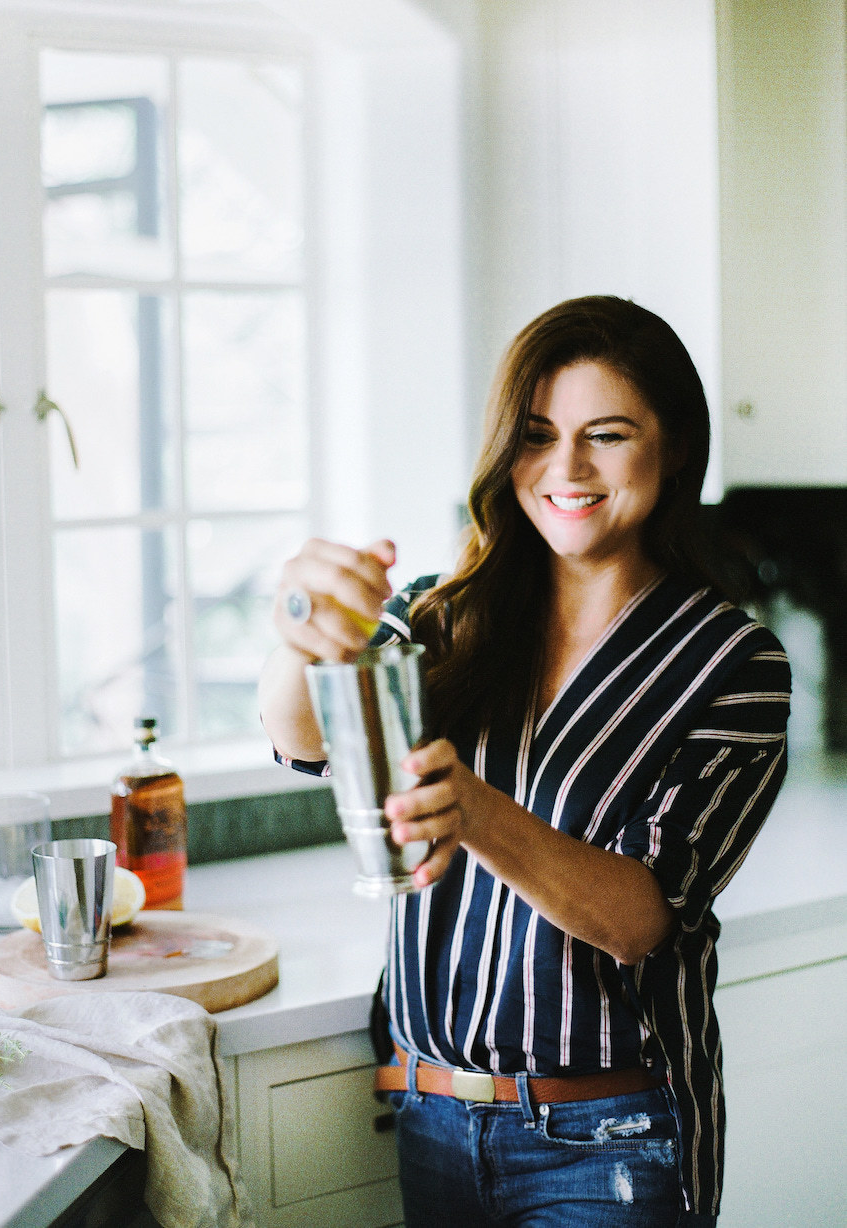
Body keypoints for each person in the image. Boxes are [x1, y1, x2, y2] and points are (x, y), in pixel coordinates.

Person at [258, 296, 790, 1227]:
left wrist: (471, 807)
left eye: (608, 435)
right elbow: (305, 739)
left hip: (611, 1143)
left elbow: (642, 917)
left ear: (674, 451)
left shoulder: (732, 664)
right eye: (538, 434)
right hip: (430, 1114)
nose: (566, 468)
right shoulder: (444, 612)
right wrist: (302, 630)